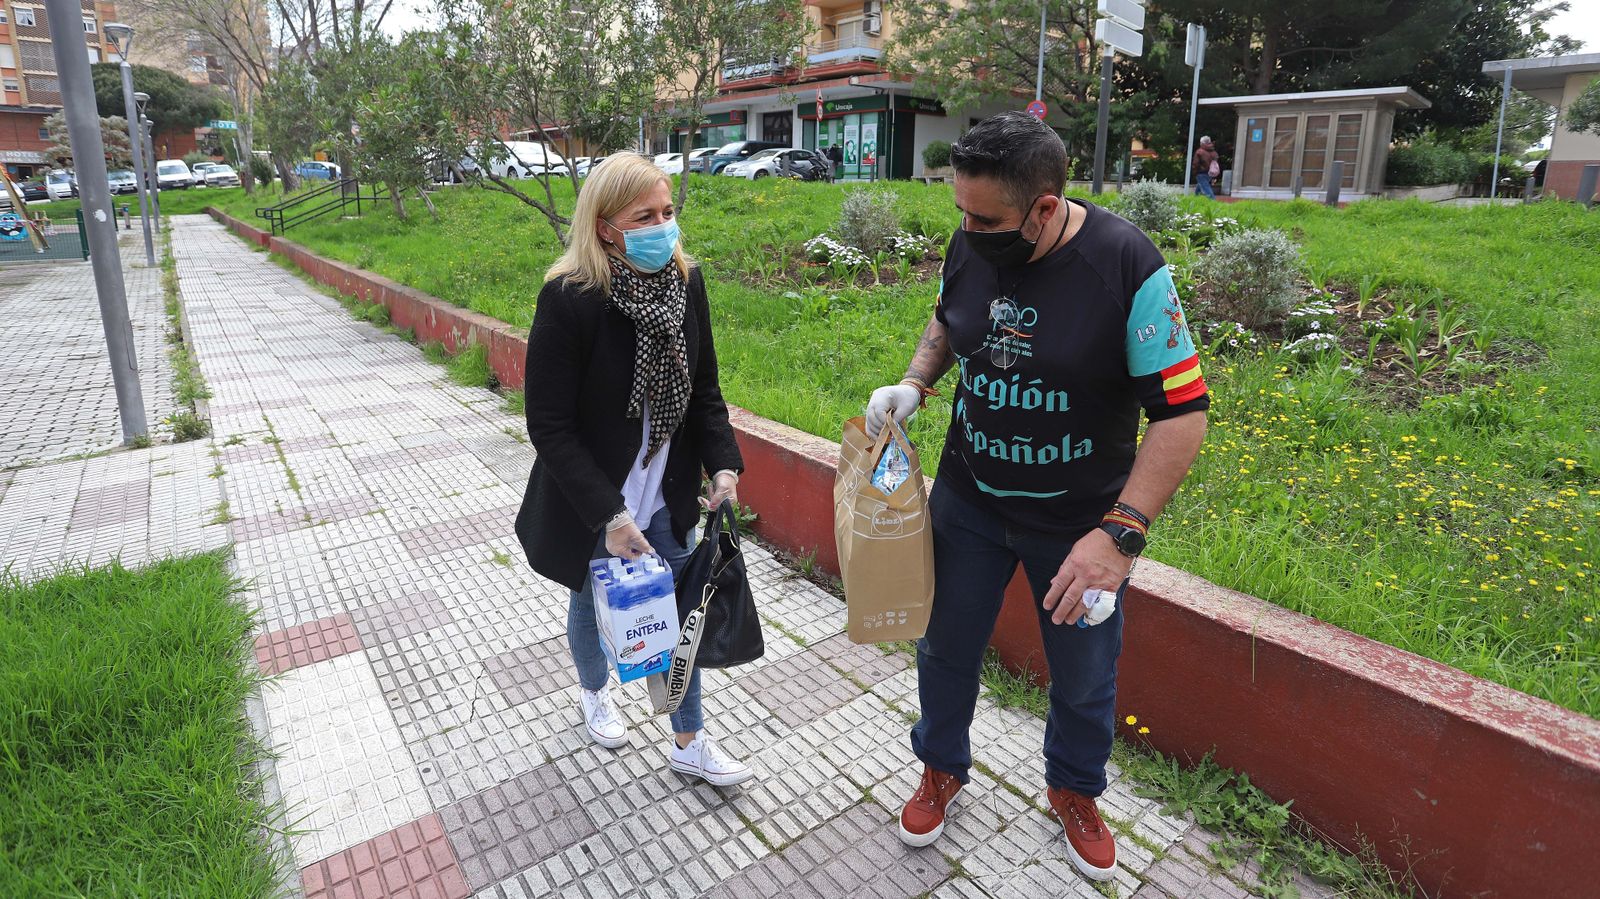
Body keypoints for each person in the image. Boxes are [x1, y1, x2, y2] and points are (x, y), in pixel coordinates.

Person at [864, 112, 1209, 882]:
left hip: (1079, 522)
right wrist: (917, 382)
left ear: (1046, 208)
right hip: (969, 499)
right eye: (960, 211)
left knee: (1085, 674)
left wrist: (1119, 534)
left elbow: (1183, 415)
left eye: (984, 218)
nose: (967, 228)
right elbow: (950, 318)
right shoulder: (973, 238)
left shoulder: (1127, 267)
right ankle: (942, 766)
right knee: (945, 648)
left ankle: (1074, 790)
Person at [514, 152, 753, 787]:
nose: (662, 226)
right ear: (604, 226)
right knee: (592, 602)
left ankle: (687, 739)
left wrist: (723, 466)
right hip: (593, 498)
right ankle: (595, 692)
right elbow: (550, 425)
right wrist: (611, 516)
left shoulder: (685, 285)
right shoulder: (570, 299)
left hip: (666, 491)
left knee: (678, 618)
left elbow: (704, 391)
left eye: (668, 212)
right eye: (643, 215)